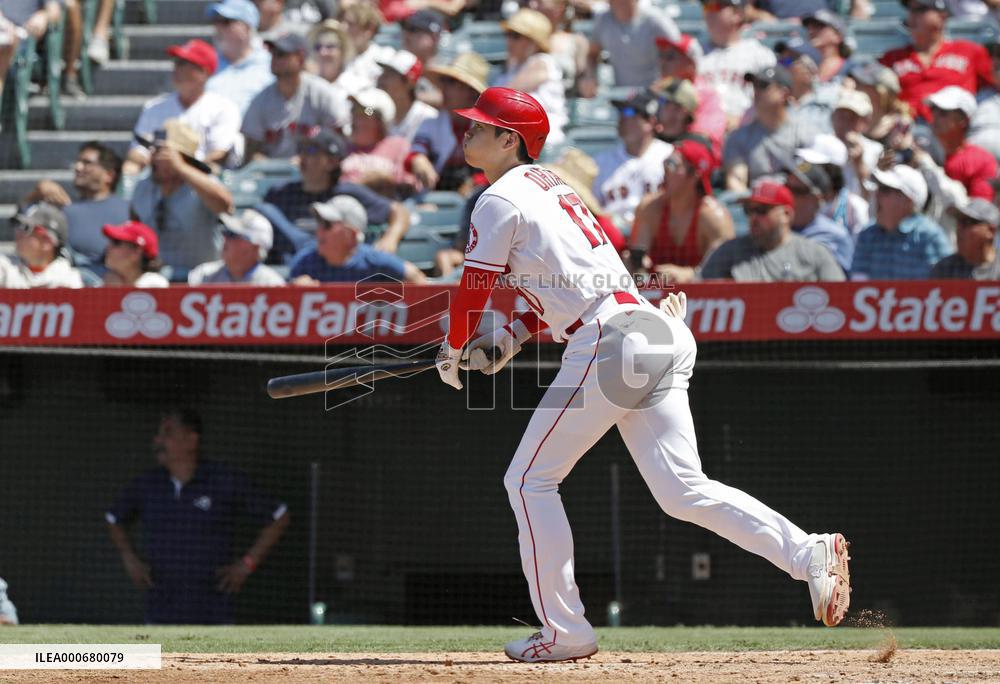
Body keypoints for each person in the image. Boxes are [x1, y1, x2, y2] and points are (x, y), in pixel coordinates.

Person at [433, 86, 852, 662]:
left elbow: (473, 290)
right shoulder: (550, 187)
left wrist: (454, 347)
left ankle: (565, 631)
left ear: (510, 139)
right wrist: (509, 337)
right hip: (650, 328)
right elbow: (559, 287)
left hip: (611, 341)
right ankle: (810, 554)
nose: (467, 132)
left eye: (480, 126)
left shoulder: (497, 198)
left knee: (528, 480)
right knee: (683, 491)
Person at [105, 408, 290, 625]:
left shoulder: (222, 479)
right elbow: (113, 519)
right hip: (161, 608)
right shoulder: (148, 484)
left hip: (214, 611)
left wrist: (247, 564)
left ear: (191, 440)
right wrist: (129, 557)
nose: (158, 440)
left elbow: (280, 516)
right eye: (158, 434)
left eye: (168, 433)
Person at [261, 130, 410, 258]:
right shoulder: (280, 193)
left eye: (311, 151)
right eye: (301, 149)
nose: (302, 157)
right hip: (292, 264)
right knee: (263, 210)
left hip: (333, 263)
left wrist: (391, 238)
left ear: (332, 162)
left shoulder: (348, 193)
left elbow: (398, 211)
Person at [130, 120, 235, 273]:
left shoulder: (201, 184)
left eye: (161, 152)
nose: (153, 158)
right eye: (152, 151)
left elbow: (225, 205)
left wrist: (180, 167)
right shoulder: (144, 187)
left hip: (200, 278)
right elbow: (134, 227)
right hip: (156, 278)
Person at [127, 39, 243, 174]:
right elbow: (136, 151)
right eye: (176, 62)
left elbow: (219, 153)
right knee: (129, 168)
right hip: (159, 176)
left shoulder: (223, 108)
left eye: (183, 64)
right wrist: (151, 160)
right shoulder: (154, 107)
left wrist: (180, 166)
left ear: (204, 72)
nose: (177, 69)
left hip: (201, 178)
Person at [628, 138, 733, 283]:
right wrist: (637, 265)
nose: (665, 170)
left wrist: (690, 275)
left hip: (703, 300)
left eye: (672, 165)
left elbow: (724, 274)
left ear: (694, 175)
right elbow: (637, 267)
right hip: (655, 294)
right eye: (665, 162)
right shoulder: (650, 208)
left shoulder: (714, 217)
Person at [700, 179, 845, 281]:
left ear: (786, 215)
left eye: (762, 210)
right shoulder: (729, 252)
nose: (754, 217)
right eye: (749, 210)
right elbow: (703, 292)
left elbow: (839, 296)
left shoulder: (814, 253)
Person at [879, 0, 994, 124]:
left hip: (955, 130)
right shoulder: (892, 57)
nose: (912, 15)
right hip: (907, 129)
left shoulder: (970, 51)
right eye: (910, 10)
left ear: (942, 15)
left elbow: (994, 86)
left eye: (920, 10)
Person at [241, 31, 348, 160]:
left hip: (314, 171)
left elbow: (340, 141)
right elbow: (250, 151)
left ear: (300, 59)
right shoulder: (261, 100)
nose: (275, 59)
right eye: (273, 53)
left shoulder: (321, 93)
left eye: (281, 54)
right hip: (272, 174)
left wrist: (308, 157)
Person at [21, 142, 129, 264]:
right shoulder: (62, 207)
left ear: (109, 175)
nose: (78, 167)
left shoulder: (128, 210)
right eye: (77, 162)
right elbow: (22, 220)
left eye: (87, 163)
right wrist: (37, 193)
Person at [723, 65, 820, 192]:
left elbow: (811, 175)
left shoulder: (804, 132)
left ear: (784, 93)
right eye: (754, 85)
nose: (756, 91)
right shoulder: (738, 137)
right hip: (757, 204)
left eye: (763, 85)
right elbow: (736, 181)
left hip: (795, 199)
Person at [289, 196, 425, 284]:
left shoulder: (374, 261)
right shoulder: (305, 262)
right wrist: (296, 292)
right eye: (319, 222)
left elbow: (417, 279)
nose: (319, 230)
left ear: (352, 235)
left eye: (327, 224)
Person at [592, 90, 674, 234]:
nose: (622, 118)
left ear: (650, 122)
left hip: (658, 235)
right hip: (613, 238)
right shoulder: (600, 162)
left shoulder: (670, 156)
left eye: (629, 112)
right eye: (620, 112)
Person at [851, 165, 952, 280]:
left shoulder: (930, 236)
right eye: (878, 189)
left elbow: (946, 288)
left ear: (908, 201)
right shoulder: (867, 235)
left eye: (885, 190)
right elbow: (857, 285)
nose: (877, 195)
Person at [409, 52, 490, 192]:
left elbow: (498, 165)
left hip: (479, 196)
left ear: (471, 92)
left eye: (452, 82)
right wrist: (418, 160)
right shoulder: (431, 123)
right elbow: (415, 152)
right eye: (444, 80)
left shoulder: (489, 128)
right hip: (436, 193)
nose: (444, 88)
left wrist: (475, 182)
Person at [493, 8, 567, 147]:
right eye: (508, 34)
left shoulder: (541, 61)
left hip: (545, 144)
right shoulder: (513, 67)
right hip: (520, 141)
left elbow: (506, 95)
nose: (509, 40)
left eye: (516, 36)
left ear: (534, 42)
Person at [698, 0, 776, 130]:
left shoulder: (759, 54)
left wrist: (743, 119)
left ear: (737, 14)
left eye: (715, 6)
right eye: (706, 6)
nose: (709, 12)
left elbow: (771, 98)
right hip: (702, 132)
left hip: (745, 131)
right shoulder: (694, 54)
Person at [581, 0, 679, 94]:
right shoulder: (603, 20)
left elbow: (680, 51)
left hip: (655, 95)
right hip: (622, 97)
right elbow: (592, 54)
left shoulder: (655, 19)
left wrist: (665, 82)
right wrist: (590, 76)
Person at [340, 89, 419, 199]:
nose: (356, 119)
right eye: (354, 111)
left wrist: (382, 179)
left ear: (381, 121)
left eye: (365, 112)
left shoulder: (398, 145)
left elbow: (408, 185)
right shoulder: (342, 147)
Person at [653, 35, 725, 151]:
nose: (663, 62)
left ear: (691, 63)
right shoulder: (655, 89)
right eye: (661, 56)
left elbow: (703, 138)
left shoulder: (707, 96)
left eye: (670, 57)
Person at [925, 86, 997, 201]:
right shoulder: (920, 149)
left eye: (943, 113)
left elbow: (980, 211)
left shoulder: (982, 160)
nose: (935, 117)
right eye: (933, 110)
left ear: (962, 120)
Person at [205, 0, 275, 115]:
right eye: (216, 21)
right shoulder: (205, 64)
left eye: (226, 22)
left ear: (247, 27)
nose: (218, 27)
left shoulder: (270, 65)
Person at [786, 163, 855, 274]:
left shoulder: (835, 236)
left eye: (797, 191)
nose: (788, 195)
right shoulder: (772, 230)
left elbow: (842, 286)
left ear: (816, 198)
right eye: (786, 188)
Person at [188, 209, 287, 284]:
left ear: (255, 248)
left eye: (232, 235)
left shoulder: (272, 284)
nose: (225, 238)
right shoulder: (202, 276)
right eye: (225, 232)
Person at [1, 203, 84, 288]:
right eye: (18, 227)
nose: (18, 233)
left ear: (47, 242)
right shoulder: (4, 267)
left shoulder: (68, 278)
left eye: (26, 228)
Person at [930, 198, 1000, 279]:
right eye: (958, 222)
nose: (959, 228)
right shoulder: (944, 269)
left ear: (990, 231)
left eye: (967, 222)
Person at [377, 50, 436, 143]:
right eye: (384, 72)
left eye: (390, 74)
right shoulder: (378, 113)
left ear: (409, 82)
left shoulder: (428, 117)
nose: (381, 79)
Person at [101, 221, 169, 287]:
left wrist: (115, 292)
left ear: (137, 251)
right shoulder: (110, 280)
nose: (108, 247)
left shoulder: (154, 284)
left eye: (116, 242)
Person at [802, 9, 851, 83]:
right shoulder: (807, 64)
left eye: (818, 26)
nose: (811, 31)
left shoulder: (851, 70)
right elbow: (782, 64)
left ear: (837, 36)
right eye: (809, 27)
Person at [307, 19, 356, 89]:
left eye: (330, 47)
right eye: (318, 47)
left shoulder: (353, 86)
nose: (322, 53)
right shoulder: (308, 85)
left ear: (343, 51)